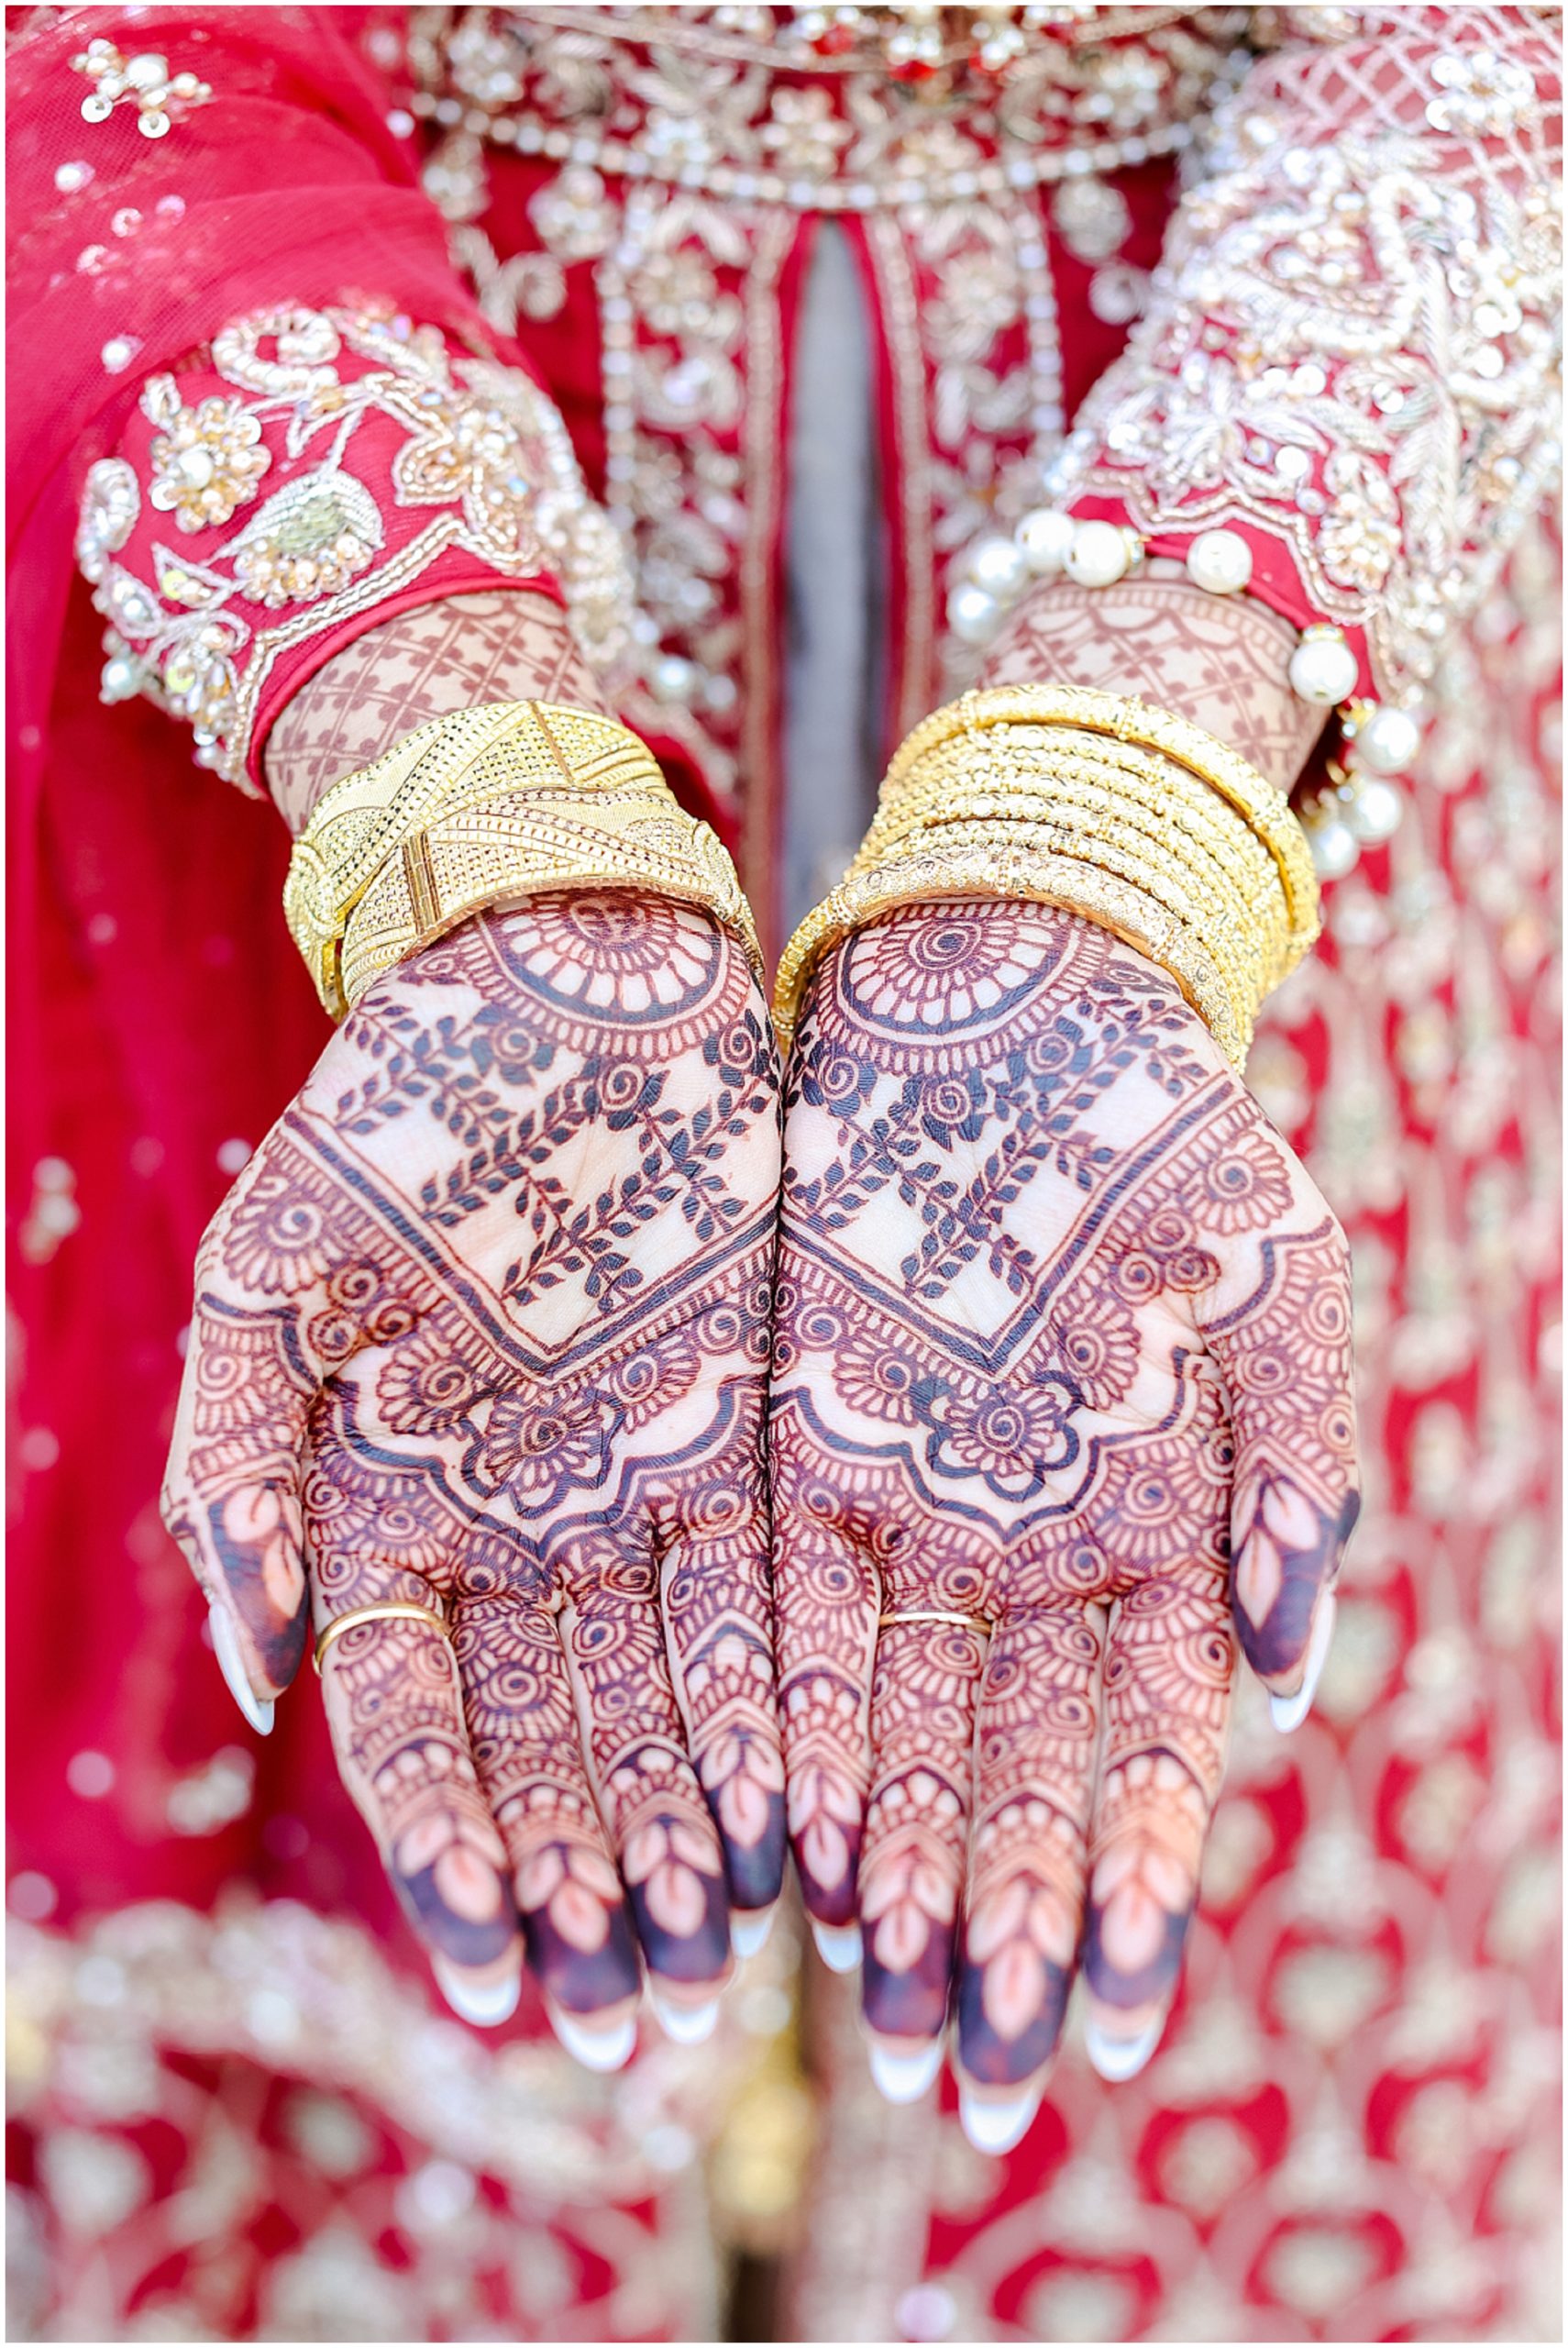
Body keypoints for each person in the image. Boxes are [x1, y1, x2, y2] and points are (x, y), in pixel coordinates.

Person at [7, 6, 1560, 2340]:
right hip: (397, 495)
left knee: (1179, 1607)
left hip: (1248, 516)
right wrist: (471, 814)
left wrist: (1136, 789)